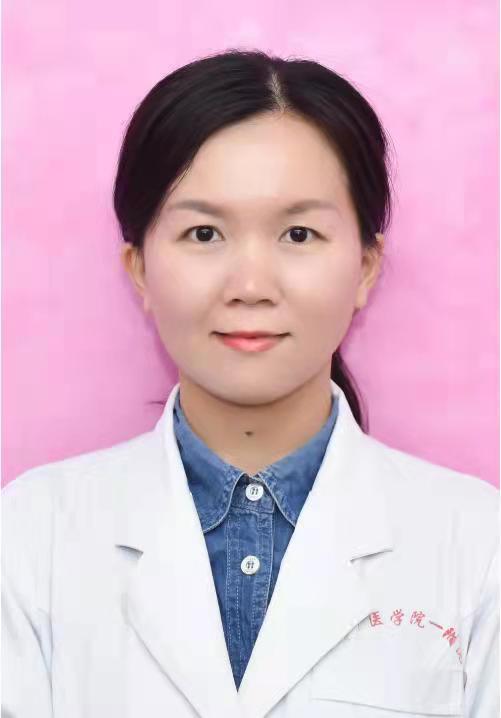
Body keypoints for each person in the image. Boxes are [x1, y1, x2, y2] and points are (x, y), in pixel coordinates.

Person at [2, 49, 498, 718]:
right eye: (204, 232)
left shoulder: (477, 545)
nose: (251, 286)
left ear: (365, 267)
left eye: (299, 233)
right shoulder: (29, 536)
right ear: (140, 268)